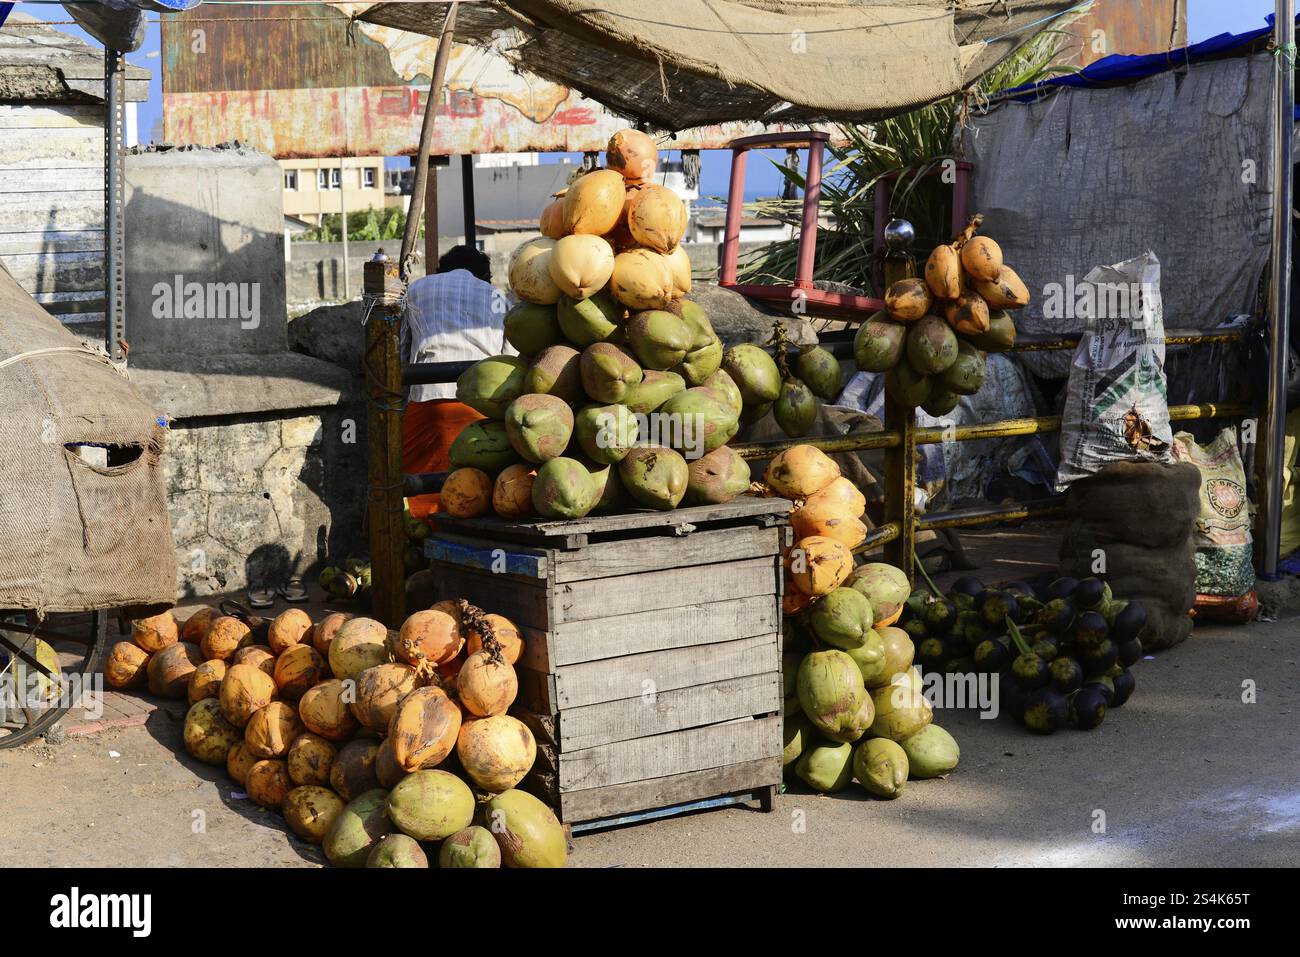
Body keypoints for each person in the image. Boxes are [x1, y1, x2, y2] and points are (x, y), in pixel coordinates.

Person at [401, 245, 508, 519]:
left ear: (441, 269)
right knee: (477, 485)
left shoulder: (416, 290)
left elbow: (401, 350)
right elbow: (512, 360)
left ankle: (424, 542)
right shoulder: (498, 297)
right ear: (484, 275)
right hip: (482, 406)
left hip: (429, 400)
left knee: (417, 481)